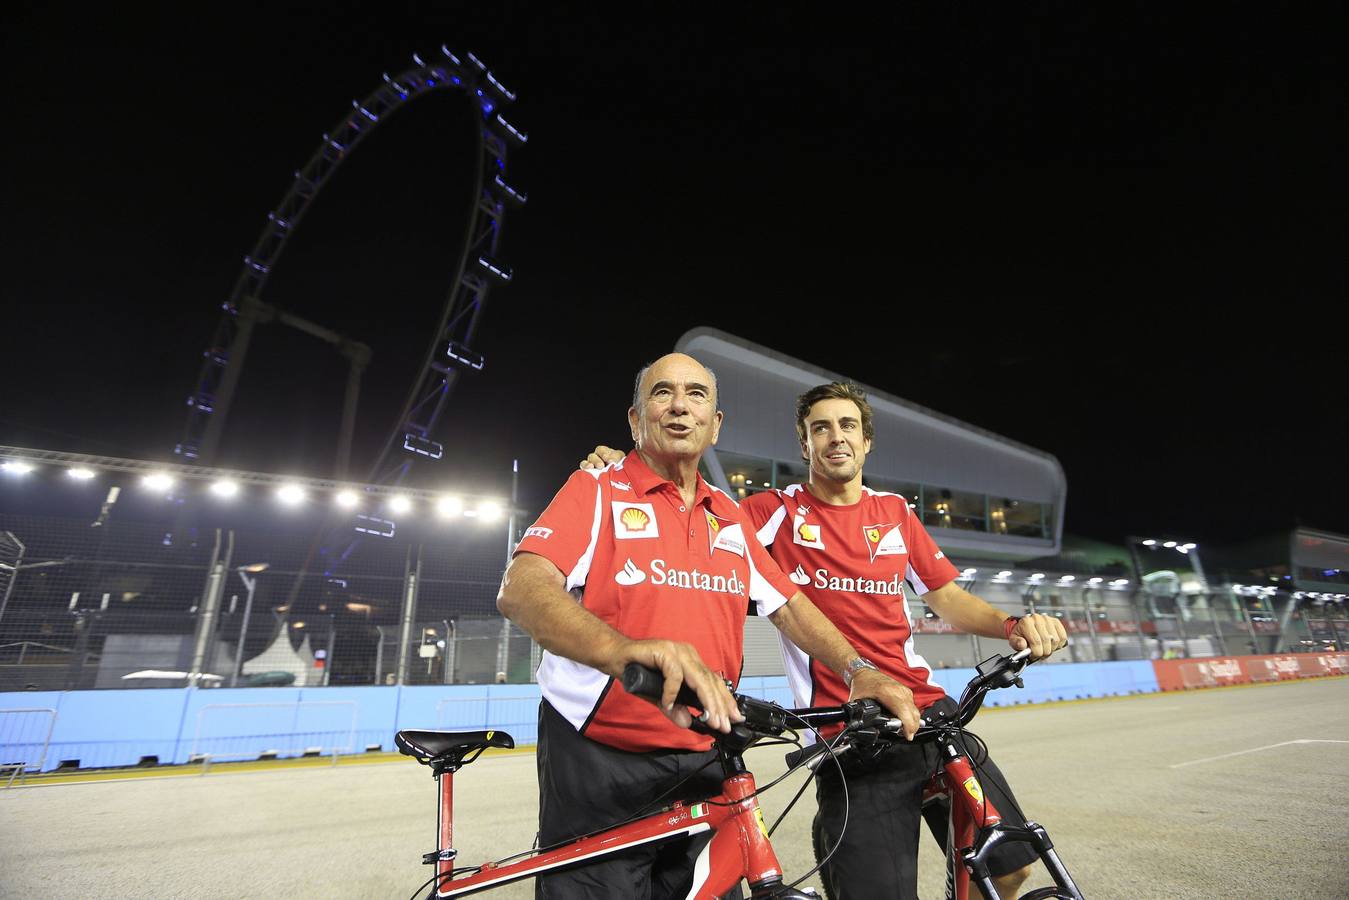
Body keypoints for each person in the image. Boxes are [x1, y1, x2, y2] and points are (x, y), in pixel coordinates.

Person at [584, 381, 1069, 900]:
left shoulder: (895, 512)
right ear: (805, 443)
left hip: (929, 712)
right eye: (821, 428)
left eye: (847, 426)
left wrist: (1012, 625)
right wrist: (629, 473)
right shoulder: (770, 511)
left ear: (866, 441)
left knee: (1011, 867)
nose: (836, 437)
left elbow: (946, 597)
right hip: (851, 734)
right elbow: (688, 515)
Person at [499, 355, 914, 899]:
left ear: (714, 425)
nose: (679, 406)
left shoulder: (729, 513)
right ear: (635, 419)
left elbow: (789, 604)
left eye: (696, 394)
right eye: (662, 393)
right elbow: (522, 588)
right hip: (600, 758)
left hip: (707, 753)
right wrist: (626, 652)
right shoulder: (596, 488)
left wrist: (859, 669)